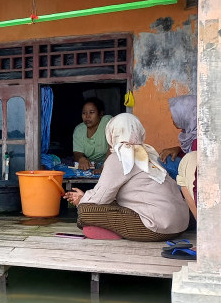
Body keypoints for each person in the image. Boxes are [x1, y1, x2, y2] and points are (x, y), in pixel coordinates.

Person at [64, 113, 189, 241]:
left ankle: (116, 231)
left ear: (112, 133)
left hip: (158, 227)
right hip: (181, 224)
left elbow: (99, 199)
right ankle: (118, 229)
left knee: (86, 211)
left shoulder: (119, 156)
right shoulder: (149, 154)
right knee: (110, 203)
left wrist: (81, 200)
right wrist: (85, 197)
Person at [72, 97, 112, 174]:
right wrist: (81, 159)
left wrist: (104, 167)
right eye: (84, 113)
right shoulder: (79, 130)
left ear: (100, 114)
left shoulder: (107, 122)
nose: (87, 116)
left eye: (92, 112)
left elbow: (113, 147)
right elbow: (77, 152)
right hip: (91, 165)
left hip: (109, 162)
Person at [159, 94, 197, 162]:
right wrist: (178, 150)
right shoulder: (190, 133)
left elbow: (194, 169)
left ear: (186, 116)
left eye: (176, 114)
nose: (172, 118)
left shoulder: (198, 142)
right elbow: (187, 155)